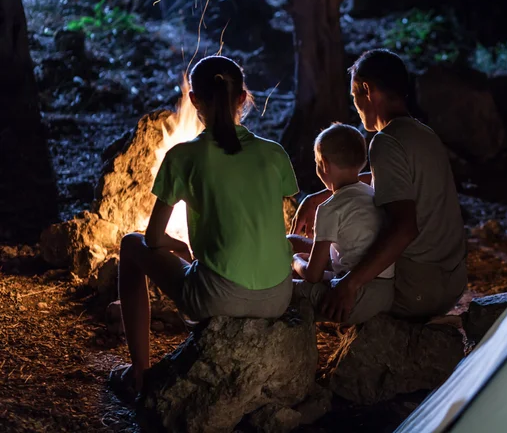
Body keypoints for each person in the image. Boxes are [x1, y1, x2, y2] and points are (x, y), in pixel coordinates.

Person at [110, 55, 298, 398]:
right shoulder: (274, 154)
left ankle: (138, 374)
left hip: (218, 298)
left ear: (194, 100)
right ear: (243, 98)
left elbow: (152, 238)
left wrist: (178, 247)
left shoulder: (183, 156)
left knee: (130, 245)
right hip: (279, 296)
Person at [292, 49, 467, 323]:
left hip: (416, 288)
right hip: (451, 282)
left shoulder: (386, 142)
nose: (356, 106)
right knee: (306, 247)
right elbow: (384, 181)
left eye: (354, 96)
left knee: (297, 287)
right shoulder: (422, 133)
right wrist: (319, 197)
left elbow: (405, 228)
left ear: (367, 90)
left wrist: (350, 285)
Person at [288, 123, 395, 324]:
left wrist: (296, 260)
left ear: (324, 164)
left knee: (287, 289)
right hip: (386, 294)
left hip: (353, 298)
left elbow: (312, 275)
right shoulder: (372, 192)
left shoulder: (329, 209)